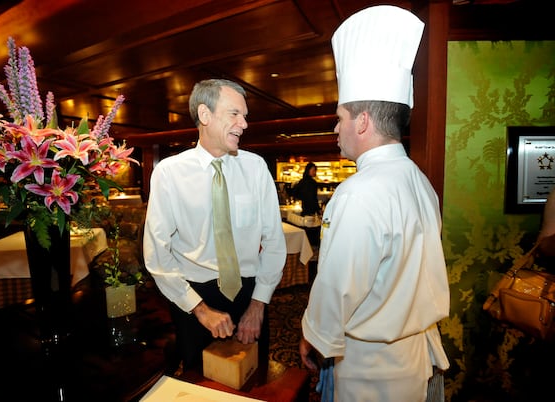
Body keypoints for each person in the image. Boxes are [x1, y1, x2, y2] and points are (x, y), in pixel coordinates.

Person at [299, 5, 450, 402]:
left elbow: (337, 289)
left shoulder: (358, 192)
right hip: (415, 360)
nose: (335, 129)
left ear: (362, 122)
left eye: (340, 118)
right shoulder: (419, 181)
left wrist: (311, 337)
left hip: (370, 372)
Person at [143, 78, 287, 373]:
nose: (244, 123)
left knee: (254, 379)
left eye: (245, 116)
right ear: (205, 115)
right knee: (201, 384)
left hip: (251, 294)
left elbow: (274, 242)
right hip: (195, 298)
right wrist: (199, 308)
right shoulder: (169, 173)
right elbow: (157, 253)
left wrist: (259, 305)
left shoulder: (256, 168)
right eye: (235, 114)